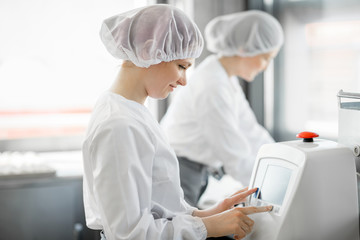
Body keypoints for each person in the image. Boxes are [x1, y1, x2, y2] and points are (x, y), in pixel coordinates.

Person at [82, 4, 272, 240]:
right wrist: (208, 227)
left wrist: (206, 215)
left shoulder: (133, 112)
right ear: (148, 52)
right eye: (181, 66)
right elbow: (131, 235)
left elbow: (158, 206)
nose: (183, 82)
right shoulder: (119, 125)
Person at [160, 10, 284, 207]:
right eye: (265, 58)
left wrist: (281, 161)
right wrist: (273, 190)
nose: (266, 67)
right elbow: (233, 153)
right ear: (244, 48)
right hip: (180, 173)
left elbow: (252, 132)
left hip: (194, 172)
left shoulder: (224, 78)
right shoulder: (213, 85)